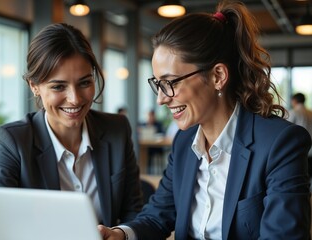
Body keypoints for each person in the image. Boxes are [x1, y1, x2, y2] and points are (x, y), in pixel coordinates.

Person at [98, 1, 311, 239]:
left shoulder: (279, 144)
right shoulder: (184, 142)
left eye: (171, 82)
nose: (161, 99)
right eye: (158, 84)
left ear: (218, 76)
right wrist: (120, 234)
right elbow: (158, 214)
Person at [0, 23, 143, 227]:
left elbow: (133, 213)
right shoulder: (12, 142)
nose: (75, 99)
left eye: (84, 83)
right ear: (34, 86)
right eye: (59, 86)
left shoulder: (116, 130)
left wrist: (121, 234)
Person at [288, 93, 312, 178]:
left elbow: (287, 131)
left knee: (301, 175)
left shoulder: (293, 112)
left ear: (294, 101)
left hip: (298, 149)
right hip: (311, 150)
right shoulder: (310, 113)